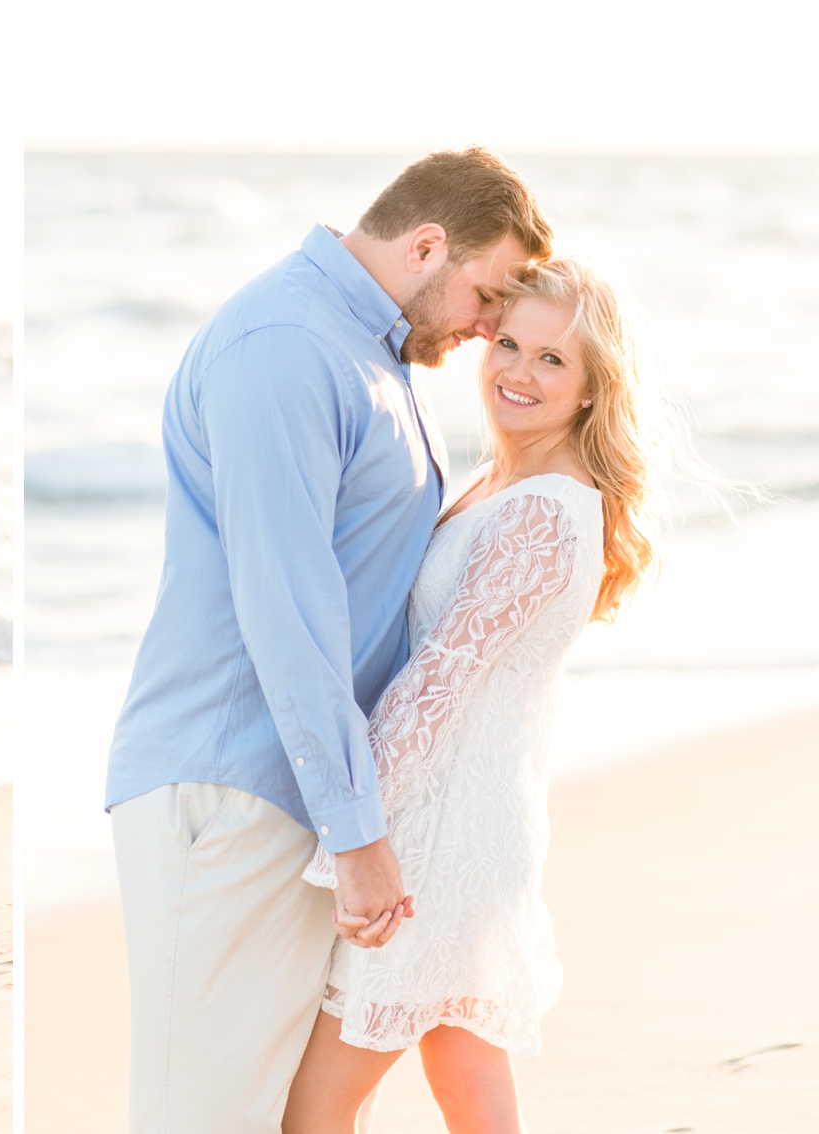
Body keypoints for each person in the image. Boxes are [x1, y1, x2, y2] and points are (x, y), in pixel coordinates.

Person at [104, 148, 553, 1133]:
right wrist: (355, 832)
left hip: (296, 789)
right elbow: (287, 604)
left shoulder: (366, 352)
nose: (487, 327)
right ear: (425, 244)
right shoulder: (285, 345)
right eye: (484, 294)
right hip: (225, 791)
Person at [283, 258, 662, 1132]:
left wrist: (351, 832)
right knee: (466, 1078)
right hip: (467, 823)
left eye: (552, 361)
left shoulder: (543, 511)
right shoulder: (504, 486)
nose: (518, 373)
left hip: (437, 844)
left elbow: (435, 684)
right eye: (508, 344)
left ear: (595, 388)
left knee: (312, 1113)